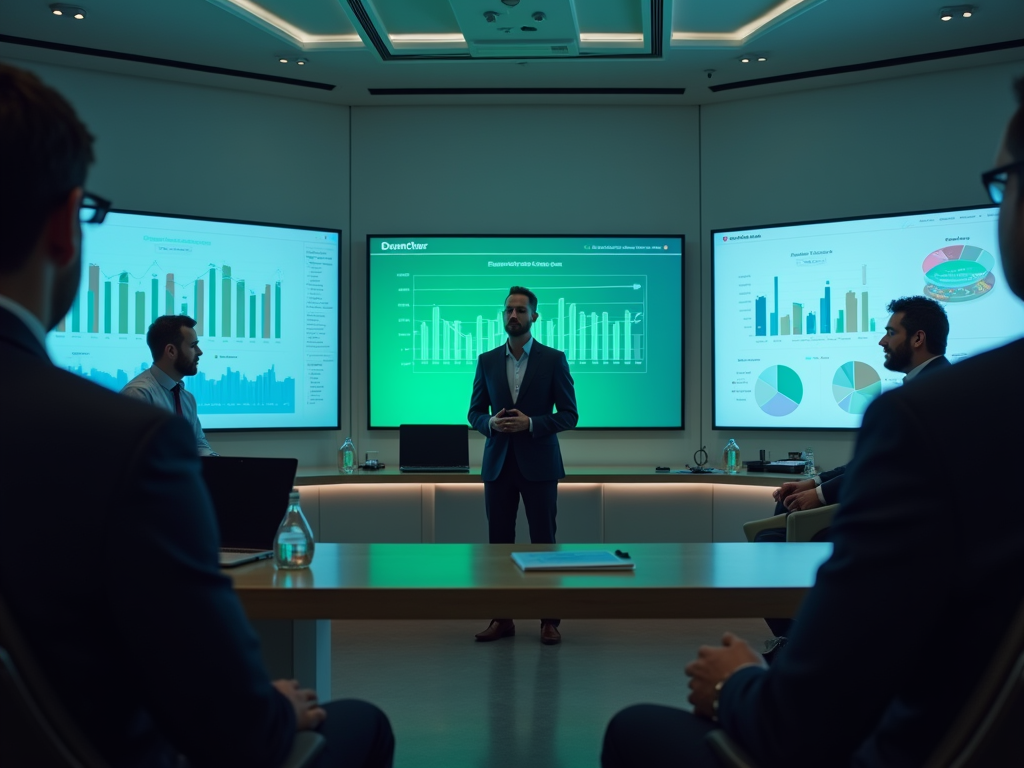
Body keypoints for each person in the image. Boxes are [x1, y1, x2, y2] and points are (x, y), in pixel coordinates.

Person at [601, 77, 1024, 768]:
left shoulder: (934, 418)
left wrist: (738, 683)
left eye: (1003, 184)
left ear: (917, 339)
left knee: (633, 731)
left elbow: (797, 729)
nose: (881, 341)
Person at [0, 63, 393, 768]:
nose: (203, 349)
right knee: (359, 723)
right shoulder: (124, 440)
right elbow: (237, 728)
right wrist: (278, 705)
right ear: (65, 225)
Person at [768, 295, 951, 517]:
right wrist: (813, 483)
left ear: (918, 338)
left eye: (891, 333)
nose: (882, 341)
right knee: (785, 507)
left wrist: (820, 495)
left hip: (906, 519)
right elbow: (871, 460)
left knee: (783, 520)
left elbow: (884, 468)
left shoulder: (931, 393)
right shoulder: (933, 383)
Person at [468, 286, 579, 645]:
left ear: (534, 316)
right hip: (498, 465)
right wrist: (491, 424)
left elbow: (569, 415)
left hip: (540, 466)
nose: (513, 316)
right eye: (508, 310)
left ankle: (549, 620)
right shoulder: (486, 361)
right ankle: (503, 618)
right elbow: (474, 412)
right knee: (498, 546)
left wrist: (531, 424)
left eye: (520, 310)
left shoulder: (553, 359)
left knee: (543, 545)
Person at [122, 314, 218, 456]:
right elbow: (133, 457)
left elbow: (198, 443)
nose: (200, 352)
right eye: (193, 345)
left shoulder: (187, 398)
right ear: (171, 351)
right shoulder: (138, 394)